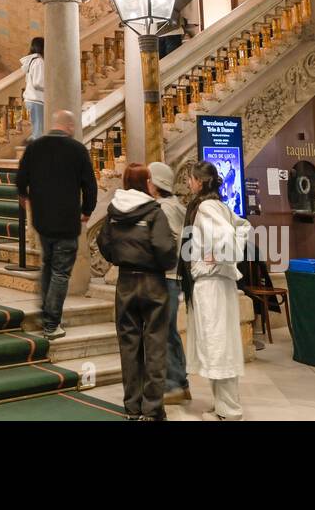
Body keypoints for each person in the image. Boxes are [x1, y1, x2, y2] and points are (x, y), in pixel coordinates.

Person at [98, 163, 177, 421]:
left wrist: (120, 258)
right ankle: (152, 409)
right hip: (153, 283)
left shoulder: (113, 212)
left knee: (128, 345)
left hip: (125, 283)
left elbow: (104, 243)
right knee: (155, 344)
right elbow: (165, 249)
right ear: (147, 183)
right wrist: (159, 265)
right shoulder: (154, 212)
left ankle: (132, 407)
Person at [15, 109, 97, 340]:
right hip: (67, 220)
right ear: (70, 127)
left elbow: (21, 178)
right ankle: (52, 323)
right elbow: (89, 184)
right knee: (61, 272)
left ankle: (48, 313)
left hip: (42, 220)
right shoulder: (77, 150)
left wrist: (25, 196)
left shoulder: (35, 147)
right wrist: (87, 210)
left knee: (48, 265)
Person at [179, 160, 250, 420]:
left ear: (199, 181)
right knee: (216, 345)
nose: (188, 183)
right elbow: (243, 227)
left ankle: (229, 410)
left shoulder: (207, 207)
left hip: (212, 286)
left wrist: (215, 258)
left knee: (219, 345)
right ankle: (223, 405)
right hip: (213, 286)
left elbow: (232, 240)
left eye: (190, 178)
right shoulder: (216, 205)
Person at [148, 161, 191, 405]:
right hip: (172, 276)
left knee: (164, 331)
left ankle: (174, 385)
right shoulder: (171, 205)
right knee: (169, 331)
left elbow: (171, 242)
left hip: (168, 277)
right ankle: (179, 382)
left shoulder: (165, 208)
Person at [20, 36, 45, 140]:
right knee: (38, 133)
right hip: (36, 99)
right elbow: (38, 83)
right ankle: (36, 154)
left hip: (30, 99)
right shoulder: (38, 61)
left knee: (36, 130)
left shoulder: (31, 61)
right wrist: (51, 87)